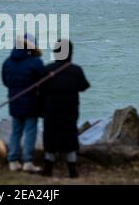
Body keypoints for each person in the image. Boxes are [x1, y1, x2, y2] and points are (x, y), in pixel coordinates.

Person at [39, 39, 90, 178]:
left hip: (50, 111)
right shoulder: (76, 70)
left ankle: (48, 168)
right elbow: (84, 87)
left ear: (56, 53)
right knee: (69, 138)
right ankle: (72, 170)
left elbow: (40, 90)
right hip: (70, 111)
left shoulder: (47, 70)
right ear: (70, 53)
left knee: (50, 138)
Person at [2, 34, 44, 172]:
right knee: (30, 131)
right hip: (32, 103)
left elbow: (6, 82)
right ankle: (27, 161)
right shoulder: (36, 62)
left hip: (14, 102)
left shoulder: (8, 62)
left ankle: (13, 161)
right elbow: (42, 83)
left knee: (16, 131)